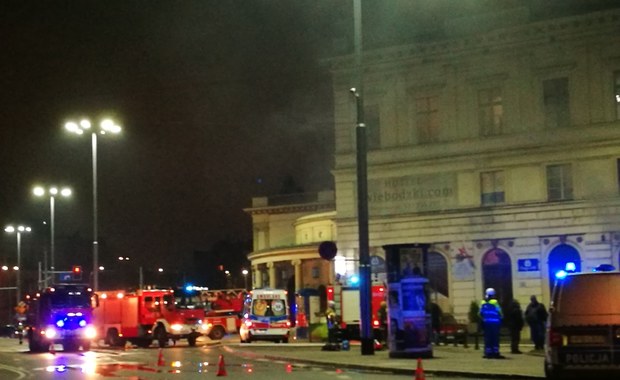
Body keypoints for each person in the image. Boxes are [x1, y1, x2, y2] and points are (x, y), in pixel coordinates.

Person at [479, 288, 504, 359]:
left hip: (486, 323)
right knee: (495, 338)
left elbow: (479, 313)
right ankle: (495, 353)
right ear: (493, 294)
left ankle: (488, 353)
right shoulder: (495, 302)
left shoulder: (483, 302)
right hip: (495, 323)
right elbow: (500, 312)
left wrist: (485, 318)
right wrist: (501, 317)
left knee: (487, 339)